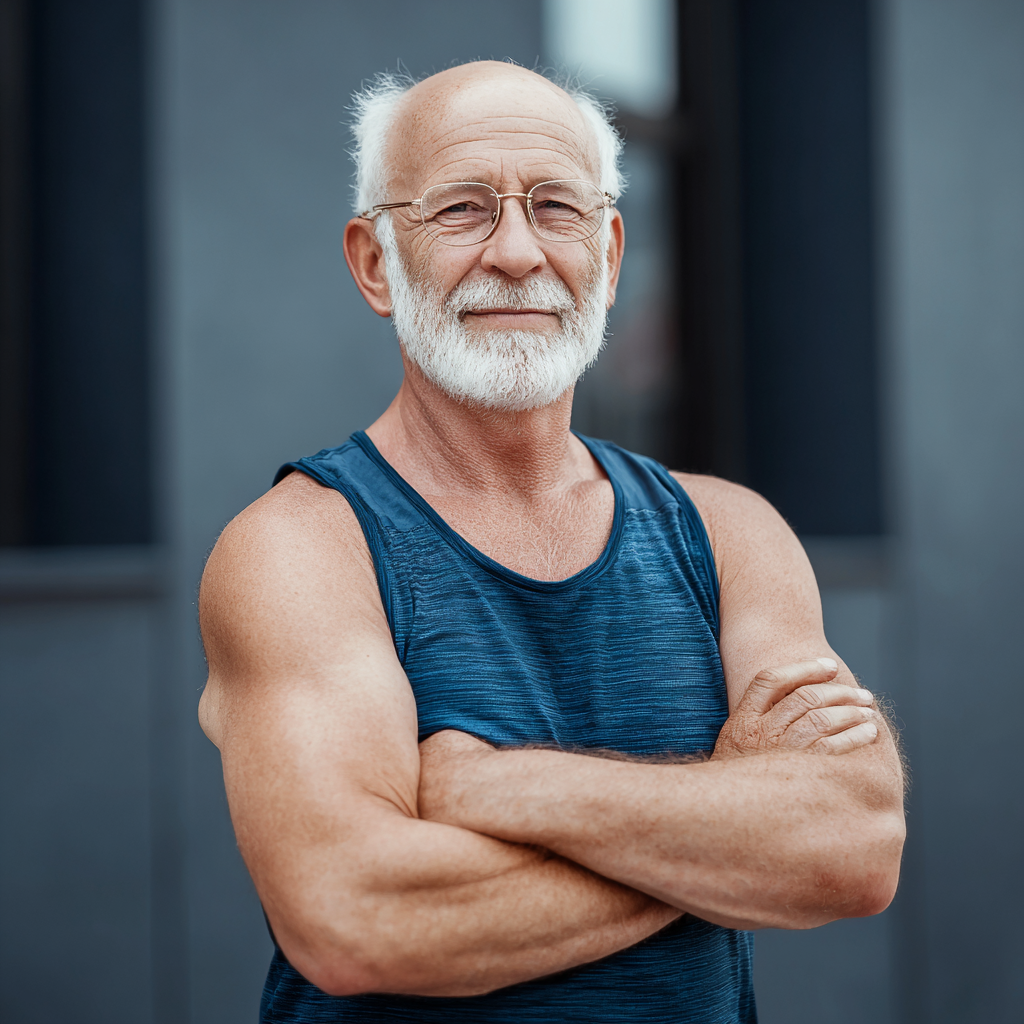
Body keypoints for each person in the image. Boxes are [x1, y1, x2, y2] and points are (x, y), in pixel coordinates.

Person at [197, 61, 905, 1022]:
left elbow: (851, 846)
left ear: (609, 253)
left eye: (556, 208)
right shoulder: (301, 551)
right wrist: (729, 824)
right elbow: (354, 918)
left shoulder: (728, 533)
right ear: (376, 262)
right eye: (461, 210)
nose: (520, 253)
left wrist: (496, 784)